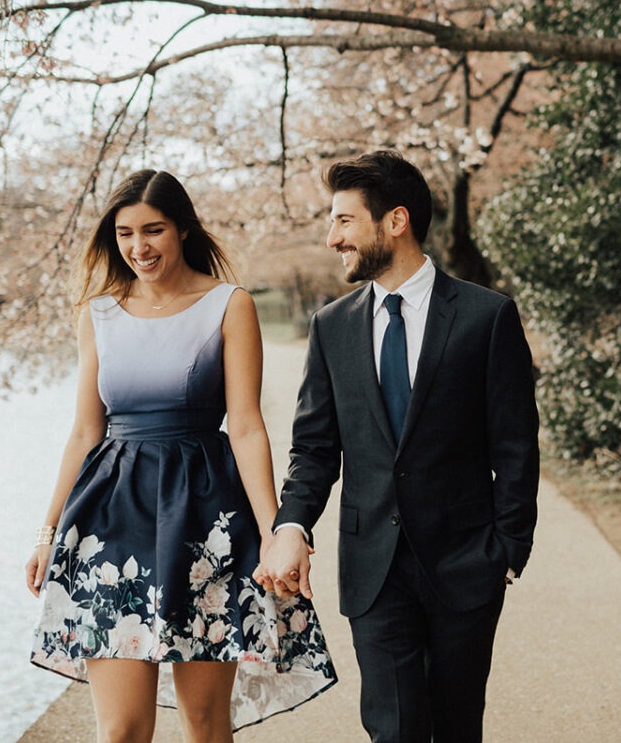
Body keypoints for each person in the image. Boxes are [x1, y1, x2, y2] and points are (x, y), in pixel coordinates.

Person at [26, 169, 336, 743]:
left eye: (153, 230)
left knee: (205, 724)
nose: (138, 247)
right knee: (120, 731)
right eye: (124, 234)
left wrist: (273, 530)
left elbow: (245, 426)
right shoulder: (98, 313)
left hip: (205, 520)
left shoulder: (228, 304)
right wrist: (47, 532)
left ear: (183, 230)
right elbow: (84, 431)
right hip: (110, 523)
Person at [258, 150, 540, 743]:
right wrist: (291, 527)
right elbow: (313, 449)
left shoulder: (487, 318)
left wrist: (508, 549)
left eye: (343, 220)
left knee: (457, 727)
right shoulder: (331, 327)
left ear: (395, 221)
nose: (332, 237)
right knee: (394, 730)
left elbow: (514, 445)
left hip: (466, 563)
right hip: (373, 570)